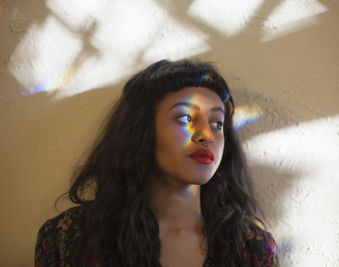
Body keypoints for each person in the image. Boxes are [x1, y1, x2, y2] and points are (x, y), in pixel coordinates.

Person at [34, 59, 278, 267]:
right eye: (185, 118)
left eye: (217, 123)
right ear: (142, 132)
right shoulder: (69, 238)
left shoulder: (251, 248)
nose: (207, 135)